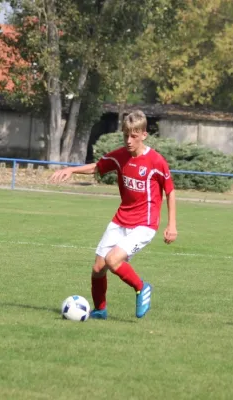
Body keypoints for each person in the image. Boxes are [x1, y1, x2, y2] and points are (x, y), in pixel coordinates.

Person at [50, 110, 177, 319]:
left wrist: (172, 225)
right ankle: (100, 310)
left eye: (134, 136)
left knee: (113, 260)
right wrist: (71, 170)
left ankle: (141, 287)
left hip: (144, 224)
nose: (128, 140)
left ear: (144, 134)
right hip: (121, 219)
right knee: (98, 268)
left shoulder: (156, 161)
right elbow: (98, 167)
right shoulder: (120, 156)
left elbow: (170, 192)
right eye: (125, 135)